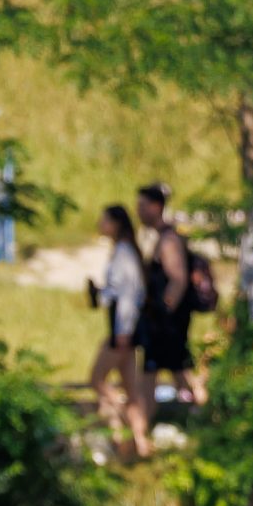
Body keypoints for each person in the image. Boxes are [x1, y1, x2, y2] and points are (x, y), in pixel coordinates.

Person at [131, 182, 205, 414]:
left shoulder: (169, 240)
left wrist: (164, 311)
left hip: (168, 322)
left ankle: (196, 410)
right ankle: (188, 411)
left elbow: (178, 280)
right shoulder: (159, 237)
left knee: (176, 369)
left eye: (143, 206)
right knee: (172, 369)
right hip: (163, 321)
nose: (139, 211)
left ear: (156, 206)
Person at [86, 205, 150, 457]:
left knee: (97, 379)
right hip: (125, 328)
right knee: (131, 388)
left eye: (104, 220)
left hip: (121, 329)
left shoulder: (123, 253)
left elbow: (127, 296)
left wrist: (122, 331)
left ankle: (122, 426)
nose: (100, 224)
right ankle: (140, 443)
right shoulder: (124, 251)